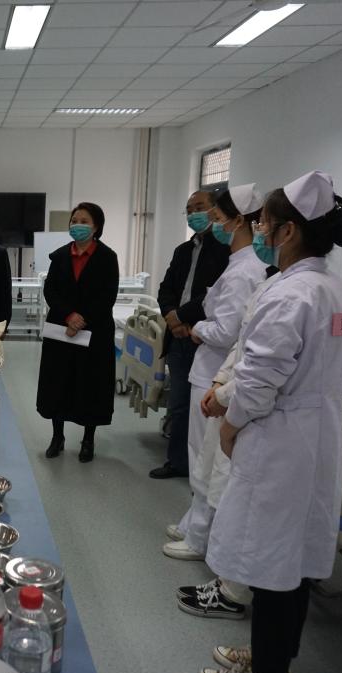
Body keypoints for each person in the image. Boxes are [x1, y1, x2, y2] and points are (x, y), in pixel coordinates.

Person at [200, 171, 342, 673]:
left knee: (271, 570)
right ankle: (274, 661)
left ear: (288, 231)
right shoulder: (331, 288)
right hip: (315, 438)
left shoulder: (290, 296)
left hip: (281, 444)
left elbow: (258, 383)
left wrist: (231, 425)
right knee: (295, 567)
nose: (260, 231)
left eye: (265, 223)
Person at [164, 184, 268, 561]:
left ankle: (200, 536)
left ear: (238, 221)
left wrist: (196, 328)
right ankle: (194, 522)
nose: (214, 225)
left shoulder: (244, 270)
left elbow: (225, 331)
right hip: (212, 370)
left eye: (218, 218)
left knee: (206, 459)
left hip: (214, 372)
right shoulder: (239, 264)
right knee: (204, 458)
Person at [150, 190, 231, 479]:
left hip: (206, 337)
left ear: (215, 211)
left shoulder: (226, 251)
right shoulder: (183, 251)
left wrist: (182, 317)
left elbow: (213, 295)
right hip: (178, 336)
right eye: (189, 209)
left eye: (200, 207)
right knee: (179, 403)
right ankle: (177, 462)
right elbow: (166, 288)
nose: (194, 213)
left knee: (203, 408)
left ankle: (202, 469)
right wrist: (171, 316)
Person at [36, 203, 120, 462]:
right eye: (74, 220)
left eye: (84, 221)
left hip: (94, 331)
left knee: (91, 383)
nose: (77, 225)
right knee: (58, 382)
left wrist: (82, 319)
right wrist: (68, 316)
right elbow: (51, 290)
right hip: (61, 330)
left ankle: (88, 440)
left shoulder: (107, 257)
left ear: (96, 227)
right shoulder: (60, 256)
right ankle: (57, 437)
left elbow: (107, 295)